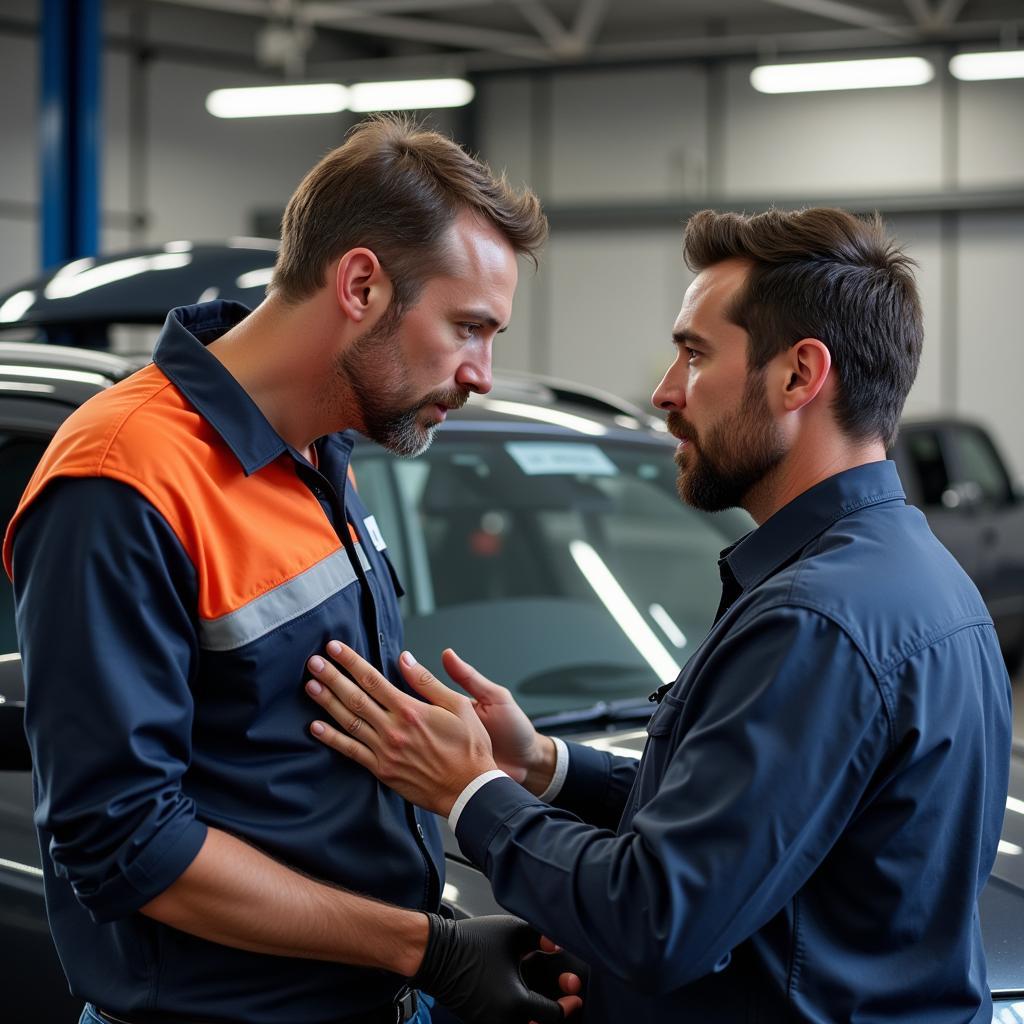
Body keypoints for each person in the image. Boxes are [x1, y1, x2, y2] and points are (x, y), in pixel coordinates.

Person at [302, 207, 1014, 1023]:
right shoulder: (915, 577)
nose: (665, 392)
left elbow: (655, 918)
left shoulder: (818, 621)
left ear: (798, 376)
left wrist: (471, 792)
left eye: (695, 353)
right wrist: (543, 765)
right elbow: (752, 814)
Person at [2, 116, 583, 1024]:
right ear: (360, 284)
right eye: (469, 327)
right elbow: (123, 841)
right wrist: (424, 946)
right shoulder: (123, 478)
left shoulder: (318, 452)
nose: (484, 375)